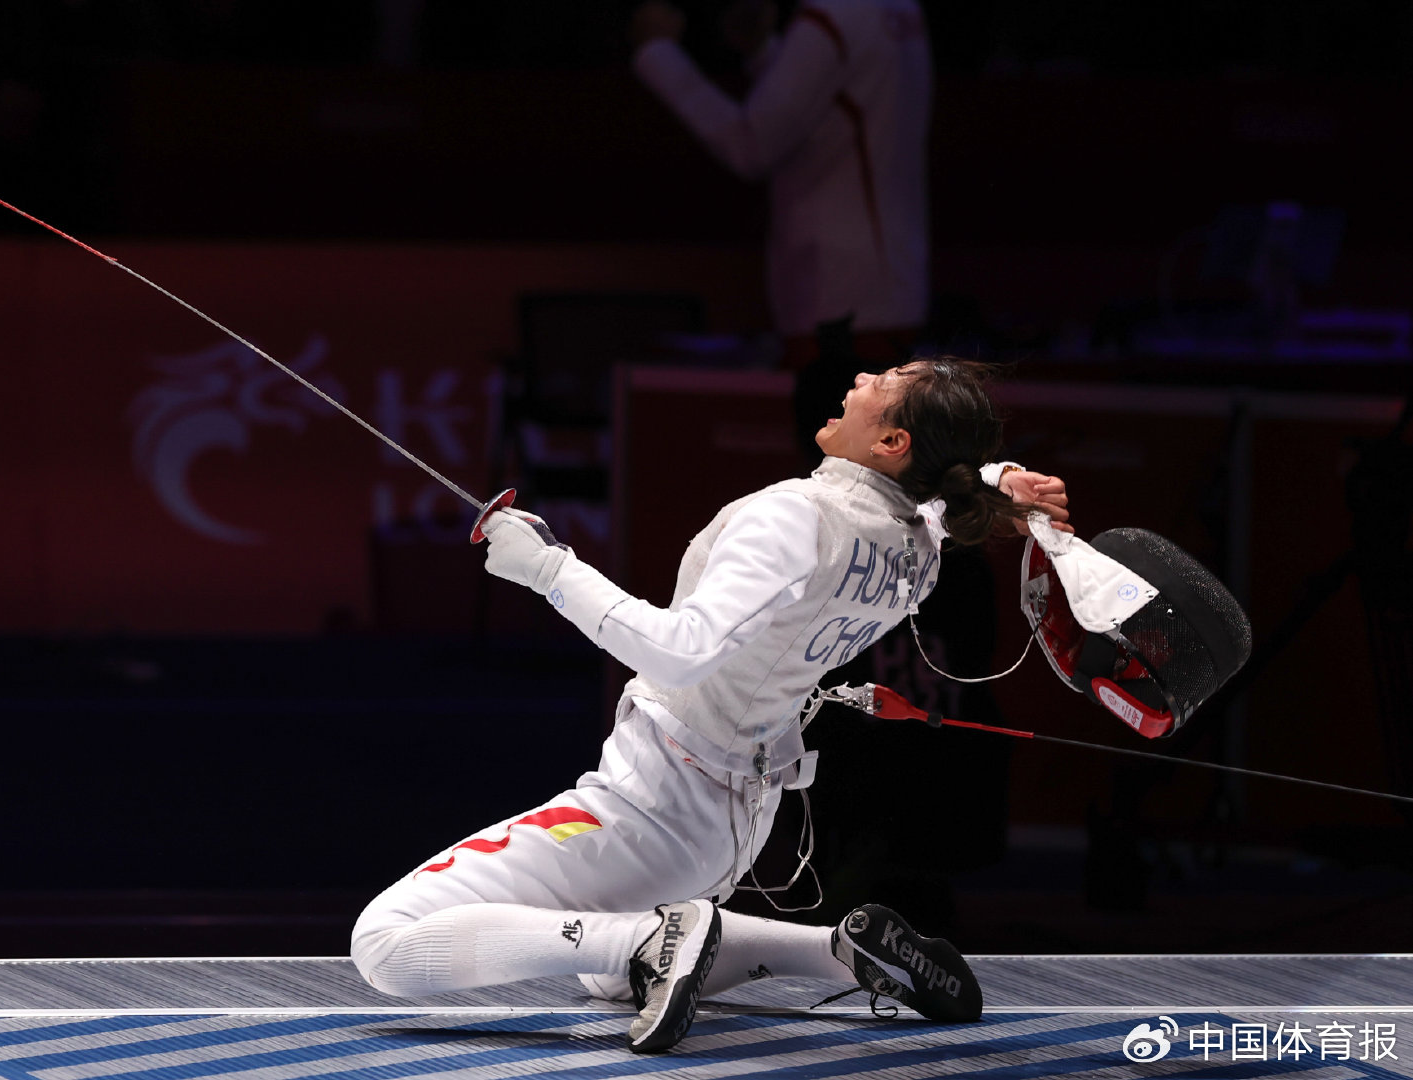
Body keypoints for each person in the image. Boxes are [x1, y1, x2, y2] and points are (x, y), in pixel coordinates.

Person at [351, 358, 1071, 1053]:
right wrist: (999, 477)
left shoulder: (795, 516)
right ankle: (835, 952)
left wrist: (547, 569)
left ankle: (654, 935)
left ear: (891, 441)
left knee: (386, 940)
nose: (857, 380)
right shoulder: (915, 547)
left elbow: (681, 651)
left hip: (652, 804)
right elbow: (940, 500)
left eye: (879, 382)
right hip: (736, 823)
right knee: (610, 974)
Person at [628, 0, 933, 461]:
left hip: (840, 308)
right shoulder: (896, 9)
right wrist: (763, 53)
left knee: (843, 493)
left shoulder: (831, 16)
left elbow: (751, 143)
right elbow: (827, 110)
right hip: (883, 288)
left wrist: (656, 53)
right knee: (876, 490)